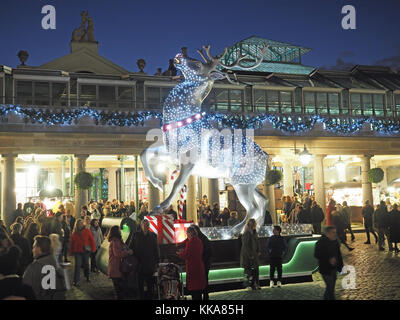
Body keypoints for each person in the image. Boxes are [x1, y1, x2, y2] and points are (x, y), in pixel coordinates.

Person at [23, 235, 66, 300]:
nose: (32, 250)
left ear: (39, 249)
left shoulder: (34, 267)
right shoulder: (57, 265)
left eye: (34, 247)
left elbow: (26, 288)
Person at [130, 219, 159, 300]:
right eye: (144, 225)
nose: (146, 227)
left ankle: (150, 297)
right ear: (141, 226)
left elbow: (156, 249)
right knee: (140, 284)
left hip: (150, 264)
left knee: (150, 284)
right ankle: (140, 297)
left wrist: (157, 262)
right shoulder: (136, 235)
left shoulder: (153, 236)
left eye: (147, 225)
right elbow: (131, 246)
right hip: (139, 264)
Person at [314, 226, 344, 300]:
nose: (335, 234)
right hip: (325, 269)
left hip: (334, 268)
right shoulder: (320, 242)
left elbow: (338, 254)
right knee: (330, 287)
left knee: (331, 288)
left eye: (335, 232)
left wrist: (340, 267)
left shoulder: (335, 241)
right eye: (333, 232)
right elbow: (317, 254)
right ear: (327, 233)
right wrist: (329, 259)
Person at [177, 225, 206, 300]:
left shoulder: (190, 243)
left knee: (194, 290)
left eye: (187, 233)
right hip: (199, 265)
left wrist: (180, 253)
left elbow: (187, 254)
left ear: (190, 234)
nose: (187, 235)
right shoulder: (199, 241)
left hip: (192, 267)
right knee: (199, 289)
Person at [107, 225, 133, 300]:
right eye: (119, 229)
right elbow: (117, 254)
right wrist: (128, 252)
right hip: (116, 267)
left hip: (116, 267)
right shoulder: (115, 241)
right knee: (119, 290)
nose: (120, 231)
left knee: (119, 289)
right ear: (116, 231)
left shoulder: (116, 240)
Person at [69, 219, 96, 286]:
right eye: (79, 224)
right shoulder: (74, 233)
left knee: (86, 264)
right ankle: (75, 280)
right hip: (77, 251)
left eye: (81, 223)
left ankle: (87, 276)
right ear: (76, 225)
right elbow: (71, 243)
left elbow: (92, 240)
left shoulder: (87, 231)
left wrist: (93, 248)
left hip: (85, 251)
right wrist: (71, 251)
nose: (80, 225)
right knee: (77, 265)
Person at [192, 225, 212, 300]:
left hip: (203, 263)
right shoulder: (203, 238)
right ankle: (205, 296)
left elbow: (205, 252)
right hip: (205, 262)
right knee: (205, 280)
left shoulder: (199, 239)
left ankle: (202, 296)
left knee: (202, 281)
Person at [240, 219, 260, 290]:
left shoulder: (254, 232)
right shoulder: (247, 233)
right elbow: (246, 246)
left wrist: (258, 251)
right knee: (248, 270)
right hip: (248, 256)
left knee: (255, 270)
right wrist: (250, 255)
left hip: (254, 255)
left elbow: (257, 243)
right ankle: (247, 284)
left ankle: (254, 284)